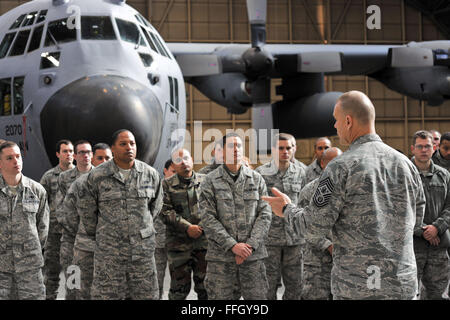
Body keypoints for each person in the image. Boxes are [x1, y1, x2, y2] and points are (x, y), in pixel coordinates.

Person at [263, 90, 426, 300]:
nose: (334, 126)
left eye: (336, 120)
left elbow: (313, 227)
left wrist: (286, 209)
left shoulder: (341, 166)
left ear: (348, 121)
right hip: (401, 282)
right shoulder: (406, 164)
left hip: (357, 284)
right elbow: (417, 221)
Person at [80, 129, 163, 299]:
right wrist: (108, 234)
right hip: (110, 256)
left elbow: (155, 209)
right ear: (113, 148)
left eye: (132, 143)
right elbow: (88, 214)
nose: (129, 147)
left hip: (142, 256)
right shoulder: (97, 176)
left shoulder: (150, 175)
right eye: (123, 144)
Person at [199, 132, 272, 300]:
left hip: (253, 258)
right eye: (231, 146)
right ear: (222, 152)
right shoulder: (209, 181)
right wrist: (233, 246)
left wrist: (249, 246)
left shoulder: (256, 179)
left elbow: (265, 214)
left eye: (239, 146)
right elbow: (208, 219)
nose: (236, 149)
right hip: (221, 260)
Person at [255, 133, 306, 300]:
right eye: (280, 148)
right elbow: (253, 208)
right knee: (266, 287)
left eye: (288, 148)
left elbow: (307, 206)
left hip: (296, 240)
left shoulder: (303, 173)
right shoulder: (260, 174)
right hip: (269, 240)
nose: (285, 151)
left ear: (294, 149)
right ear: (274, 150)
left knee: (296, 286)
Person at [59, 143, 112, 300]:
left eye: (107, 158)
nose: (104, 162)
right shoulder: (78, 183)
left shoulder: (116, 183)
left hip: (108, 247)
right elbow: (66, 213)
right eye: (100, 158)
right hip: (79, 243)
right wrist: (84, 232)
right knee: (75, 288)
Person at [0, 141, 49, 299]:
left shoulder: (36, 191)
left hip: (30, 270)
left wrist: (31, 251)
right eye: (9, 158)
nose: (16, 161)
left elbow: (43, 227)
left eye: (18, 156)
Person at [161, 149, 207, 300]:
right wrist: (188, 227)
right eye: (178, 160)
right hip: (178, 246)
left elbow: (215, 209)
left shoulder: (207, 181)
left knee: (206, 289)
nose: (184, 162)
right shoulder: (166, 185)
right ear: (173, 164)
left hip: (204, 244)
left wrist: (202, 227)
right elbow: (165, 211)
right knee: (178, 291)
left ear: (192, 159)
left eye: (186, 158)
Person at [410, 130, 450, 300]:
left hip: (438, 246)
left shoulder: (444, 175)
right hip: (412, 246)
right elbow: (399, 209)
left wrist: (437, 227)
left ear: (434, 148)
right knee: (410, 293)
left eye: (427, 146)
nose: (424, 150)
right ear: (413, 149)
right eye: (420, 146)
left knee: (438, 294)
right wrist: (424, 231)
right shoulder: (404, 174)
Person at [299, 147, 342, 300]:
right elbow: (304, 225)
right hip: (317, 262)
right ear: (323, 164)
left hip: (345, 261)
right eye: (332, 162)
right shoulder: (309, 191)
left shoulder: (351, 189)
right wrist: (328, 245)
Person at [55, 140, 93, 299]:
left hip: (95, 243)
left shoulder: (101, 177)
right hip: (72, 242)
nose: (85, 156)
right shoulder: (64, 178)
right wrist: (78, 230)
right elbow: (60, 209)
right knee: (72, 286)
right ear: (76, 156)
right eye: (82, 153)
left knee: (95, 286)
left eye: (88, 152)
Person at [39, 139, 74, 300]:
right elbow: (41, 204)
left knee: (74, 275)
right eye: (65, 151)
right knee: (51, 274)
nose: (69, 154)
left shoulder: (82, 176)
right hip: (54, 235)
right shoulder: (49, 177)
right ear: (58, 154)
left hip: (73, 235)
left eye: (71, 151)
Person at [154, 159, 176, 299]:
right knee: (156, 281)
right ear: (165, 171)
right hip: (158, 242)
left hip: (177, 243)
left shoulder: (184, 189)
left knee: (179, 284)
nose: (175, 175)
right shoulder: (155, 188)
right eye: (173, 172)